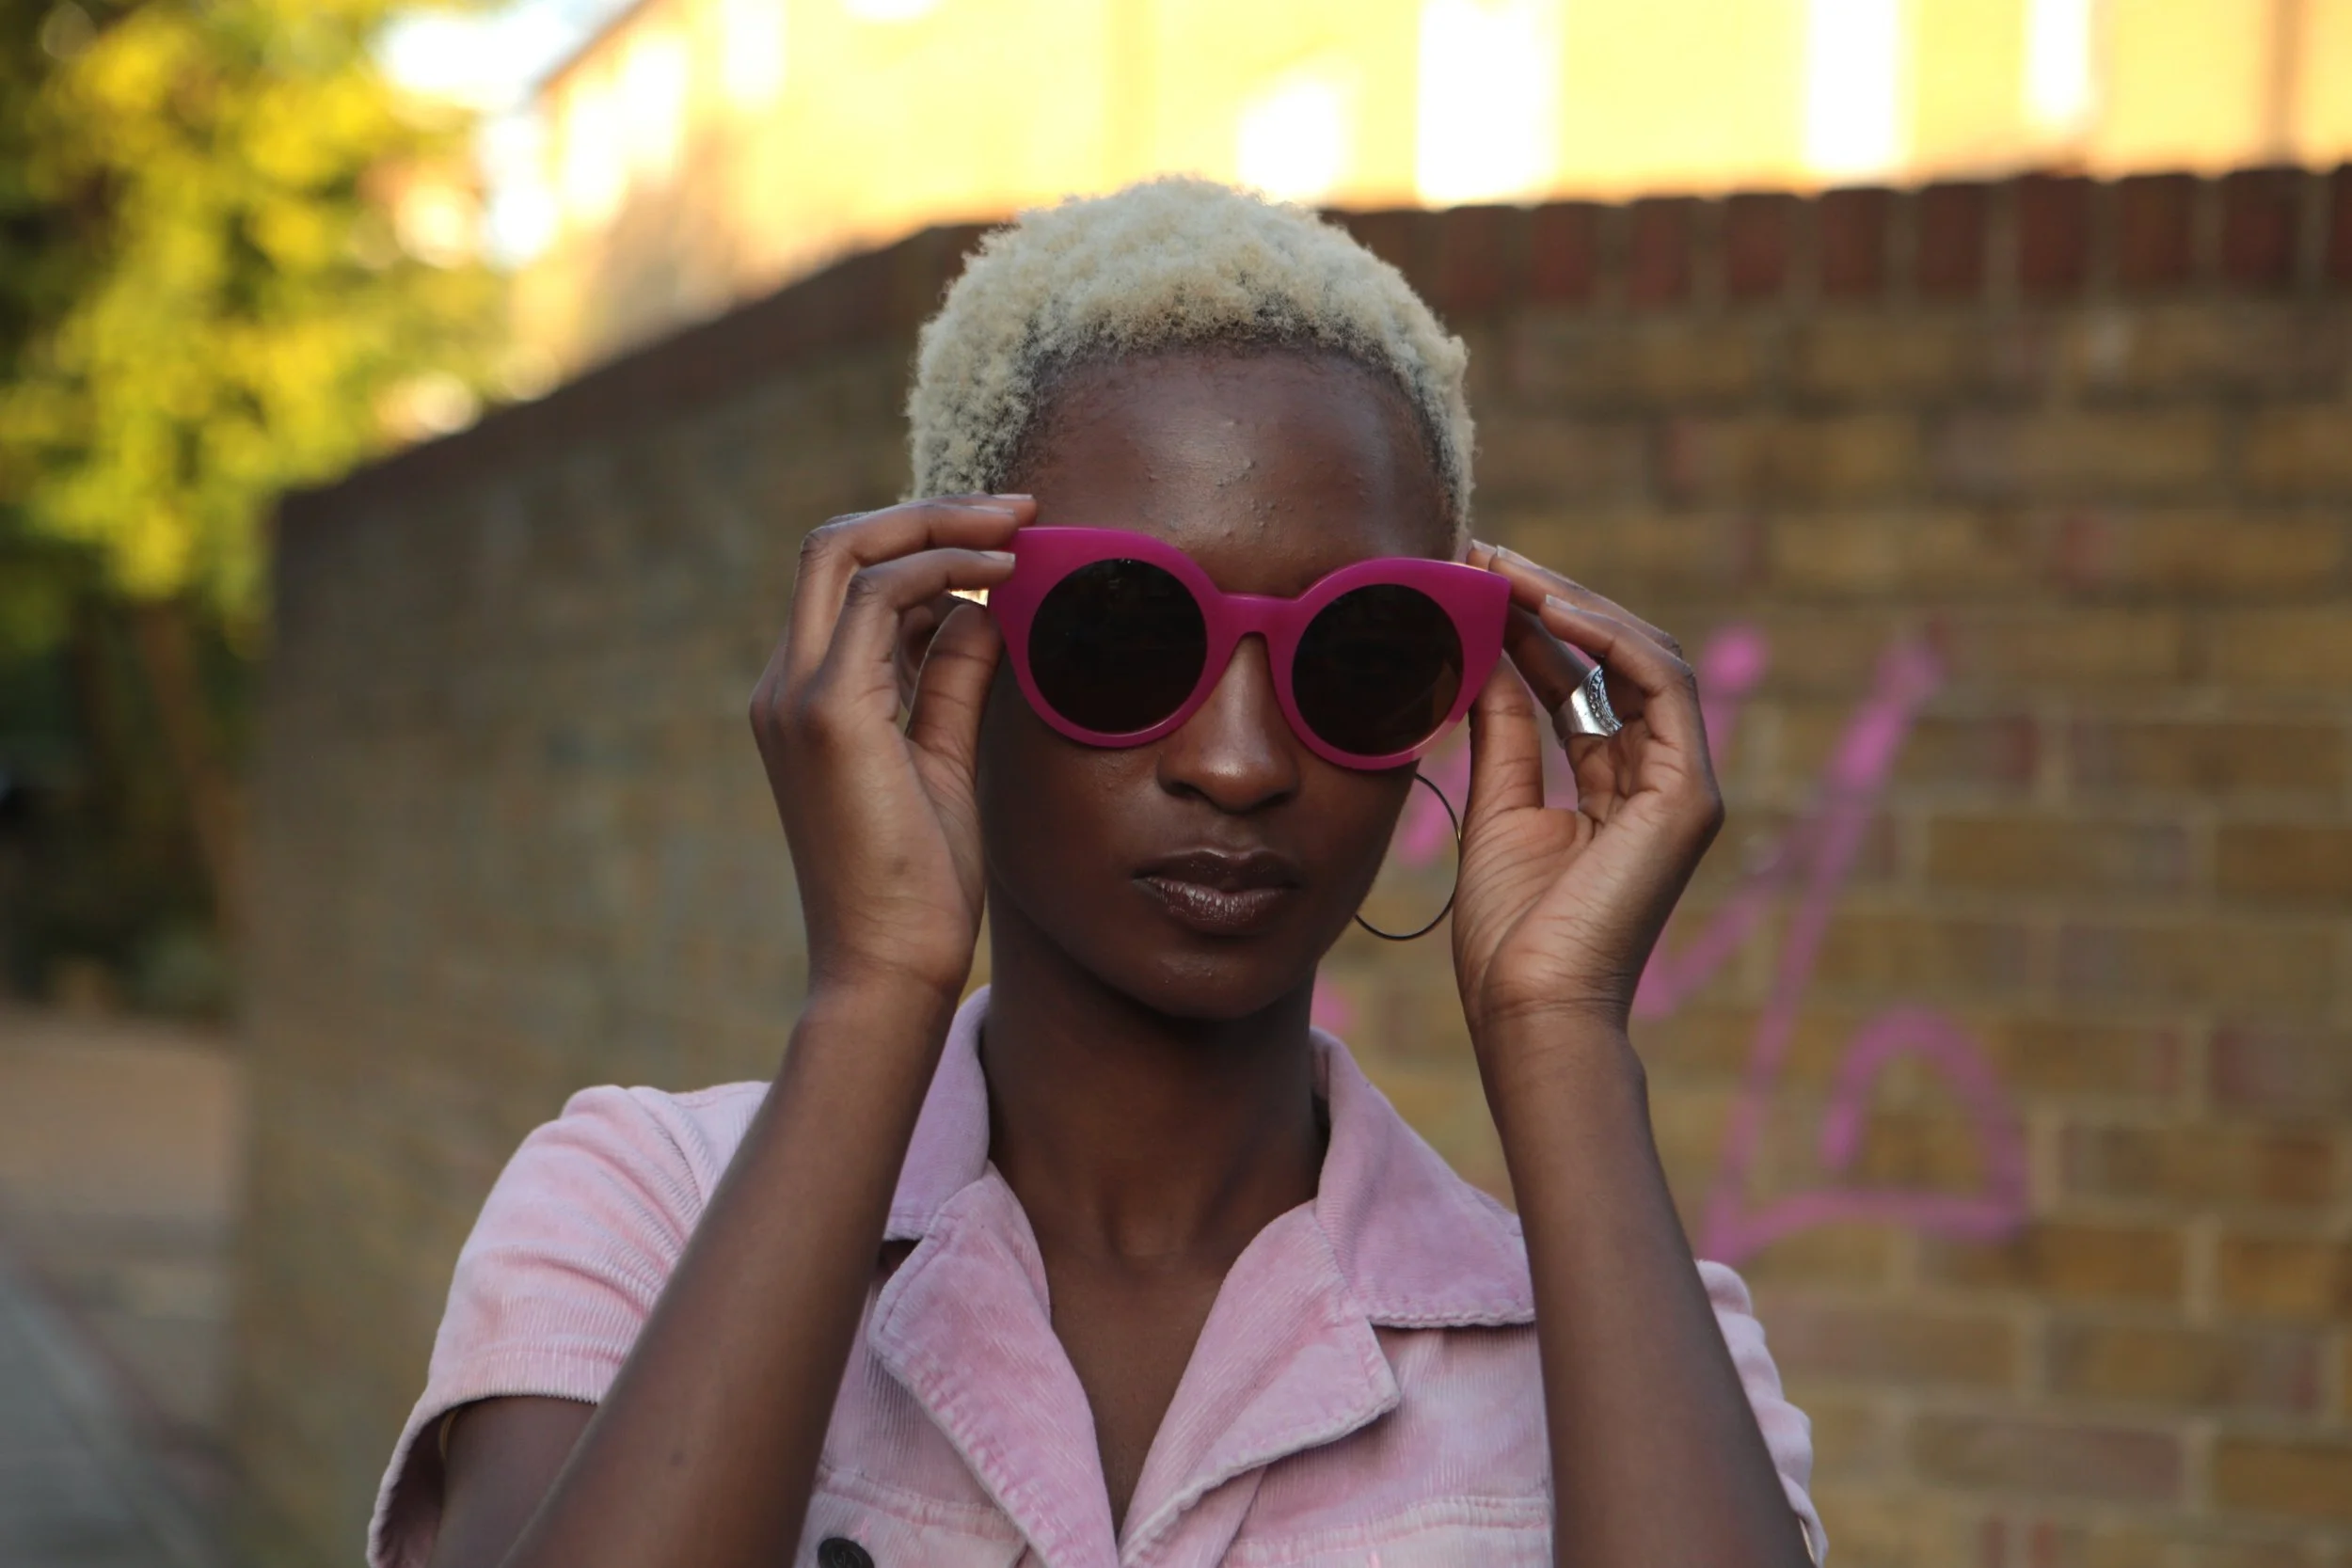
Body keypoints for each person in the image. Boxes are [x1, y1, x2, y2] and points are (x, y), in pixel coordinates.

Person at [371, 178, 1824, 1568]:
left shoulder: (1632, 1343)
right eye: (1127, 636)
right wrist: (876, 985)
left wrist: (1562, 1035)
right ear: (938, 650)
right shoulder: (639, 1210)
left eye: (1360, 655)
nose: (1241, 761)